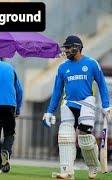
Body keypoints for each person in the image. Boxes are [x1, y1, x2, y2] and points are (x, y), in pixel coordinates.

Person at [42, 35, 111, 179]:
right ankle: (67, 171)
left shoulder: (92, 63)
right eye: (65, 48)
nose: (66, 50)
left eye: (68, 47)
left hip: (86, 102)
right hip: (68, 103)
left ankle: (93, 166)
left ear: (78, 47)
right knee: (65, 136)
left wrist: (107, 106)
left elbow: (102, 85)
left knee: (85, 138)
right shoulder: (62, 67)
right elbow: (57, 91)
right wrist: (49, 111)